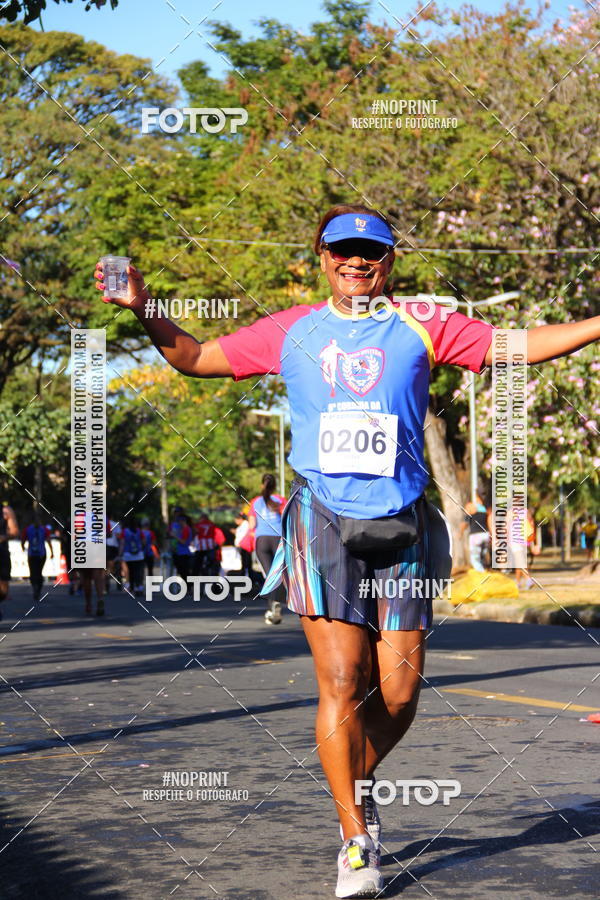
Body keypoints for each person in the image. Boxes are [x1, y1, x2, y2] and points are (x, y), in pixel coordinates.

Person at [95, 203, 600, 898]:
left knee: (398, 693)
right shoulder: (291, 329)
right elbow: (194, 357)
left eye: (372, 253)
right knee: (341, 681)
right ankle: (355, 839)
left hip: (406, 525)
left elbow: (515, 345)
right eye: (343, 251)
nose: (357, 262)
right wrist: (144, 308)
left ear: (390, 262)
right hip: (322, 520)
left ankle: (355, 784)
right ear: (321, 257)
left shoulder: (423, 322)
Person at [249, 474, 287, 625]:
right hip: (278, 539)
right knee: (278, 574)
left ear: (261, 486)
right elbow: (286, 518)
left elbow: (252, 525)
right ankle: (275, 603)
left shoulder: (255, 502)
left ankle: (272, 607)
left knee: (269, 575)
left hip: (262, 540)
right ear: (275, 486)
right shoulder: (280, 500)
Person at [21, 515, 54, 603]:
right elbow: (48, 540)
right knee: (38, 571)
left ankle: (36, 586)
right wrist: (52, 551)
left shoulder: (28, 529)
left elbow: (23, 539)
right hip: (41, 554)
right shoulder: (44, 529)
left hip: (33, 554)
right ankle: (37, 588)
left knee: (33, 572)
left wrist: (23, 547)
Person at [459, 493, 490, 571]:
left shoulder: (471, 510)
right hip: (485, 535)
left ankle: (481, 574)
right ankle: (485, 571)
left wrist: (460, 533)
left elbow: (465, 523)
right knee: (482, 557)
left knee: (475, 559)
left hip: (476, 536)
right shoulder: (485, 510)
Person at [0, 502, 19, 620]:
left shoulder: (5, 511)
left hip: (1, 552)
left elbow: (15, 531)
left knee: (3, 590)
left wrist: (3, 537)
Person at [119, 516, 145, 595]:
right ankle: (139, 586)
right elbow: (144, 542)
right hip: (139, 554)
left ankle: (132, 587)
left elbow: (122, 543)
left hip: (128, 555)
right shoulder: (139, 531)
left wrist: (120, 553)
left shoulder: (124, 531)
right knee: (138, 571)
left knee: (130, 571)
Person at [168, 508, 193, 588]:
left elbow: (184, 542)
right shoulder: (182, 528)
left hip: (183, 553)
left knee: (184, 571)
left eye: (180, 521)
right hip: (178, 552)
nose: (179, 523)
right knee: (181, 570)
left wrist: (175, 536)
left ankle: (189, 587)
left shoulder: (186, 529)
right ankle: (187, 586)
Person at [192, 511, 219, 577]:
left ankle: (194, 580)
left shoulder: (198, 525)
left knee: (197, 564)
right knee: (212, 563)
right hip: (211, 546)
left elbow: (195, 532)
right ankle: (212, 576)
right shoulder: (212, 524)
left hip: (201, 547)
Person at [106, 515, 123, 591]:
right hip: (113, 546)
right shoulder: (115, 524)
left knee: (105, 566)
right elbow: (119, 536)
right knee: (115, 564)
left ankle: (106, 584)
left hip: (103, 546)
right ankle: (117, 580)